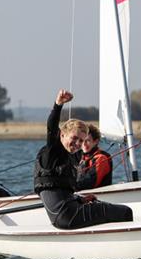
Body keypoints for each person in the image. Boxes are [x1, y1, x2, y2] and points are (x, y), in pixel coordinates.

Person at [33, 89, 133, 230]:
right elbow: (51, 127)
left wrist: (79, 199)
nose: (78, 144)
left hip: (69, 211)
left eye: (81, 140)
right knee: (125, 212)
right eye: (74, 138)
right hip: (66, 216)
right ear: (62, 135)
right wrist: (58, 104)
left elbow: (62, 191)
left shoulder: (73, 156)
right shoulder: (52, 152)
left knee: (105, 207)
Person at [76, 123, 113, 190]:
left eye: (87, 141)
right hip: (80, 194)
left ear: (95, 141)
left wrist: (68, 185)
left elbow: (90, 183)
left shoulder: (101, 158)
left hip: (98, 197)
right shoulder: (79, 156)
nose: (84, 144)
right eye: (81, 140)